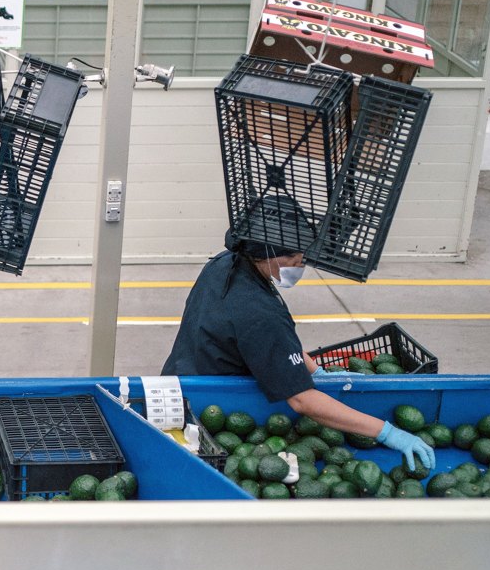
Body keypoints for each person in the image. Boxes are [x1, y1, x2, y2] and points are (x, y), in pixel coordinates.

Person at [162, 197, 435, 471]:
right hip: (210, 407)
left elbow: (271, 342)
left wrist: (315, 371)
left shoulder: (225, 264)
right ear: (265, 253)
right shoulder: (259, 312)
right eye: (292, 257)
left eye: (302, 254)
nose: (300, 262)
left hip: (179, 377)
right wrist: (387, 432)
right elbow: (302, 399)